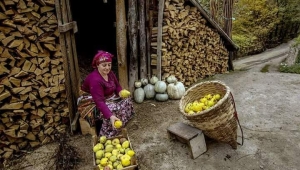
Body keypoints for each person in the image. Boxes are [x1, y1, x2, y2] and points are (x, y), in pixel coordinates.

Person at [78, 50, 134, 137]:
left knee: (127, 99)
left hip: (106, 96)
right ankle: (108, 133)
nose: (107, 68)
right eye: (104, 65)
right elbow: (99, 101)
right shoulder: (95, 80)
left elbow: (117, 86)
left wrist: (120, 92)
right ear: (97, 65)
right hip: (91, 100)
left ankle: (121, 121)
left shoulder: (110, 73)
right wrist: (110, 116)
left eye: (109, 65)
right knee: (113, 109)